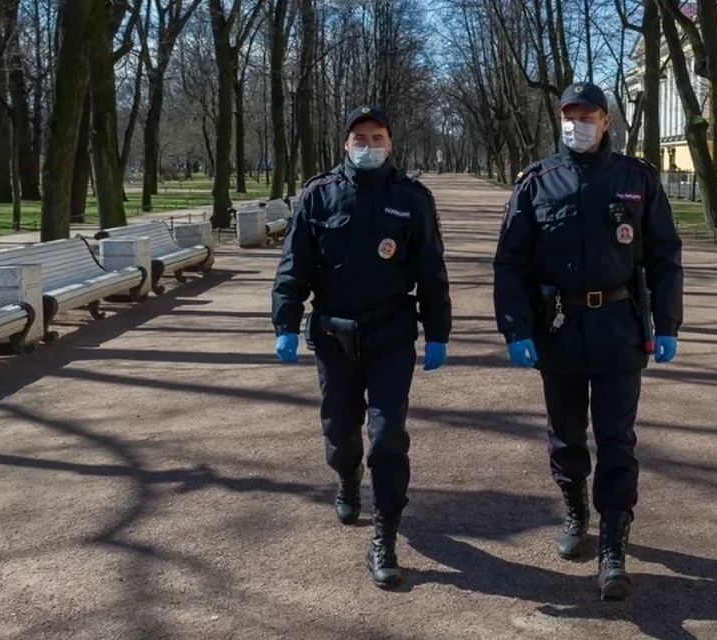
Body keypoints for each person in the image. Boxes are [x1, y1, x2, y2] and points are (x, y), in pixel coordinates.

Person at [492, 81, 683, 601]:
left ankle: (613, 545)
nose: (578, 123)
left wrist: (667, 323)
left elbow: (665, 255)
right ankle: (576, 510)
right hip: (559, 327)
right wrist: (515, 327)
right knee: (567, 432)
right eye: (569, 114)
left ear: (606, 121)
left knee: (617, 438)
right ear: (560, 119)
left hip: (620, 325)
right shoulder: (537, 182)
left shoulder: (637, 179)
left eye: (588, 115)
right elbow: (511, 260)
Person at [271, 105, 452, 589]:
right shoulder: (319, 196)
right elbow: (294, 267)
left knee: (389, 431)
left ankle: (385, 533)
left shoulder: (413, 199)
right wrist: (285, 322)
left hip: (391, 332)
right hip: (334, 335)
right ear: (345, 143)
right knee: (340, 427)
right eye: (359, 138)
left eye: (377, 138)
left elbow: (432, 273)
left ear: (390, 144)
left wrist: (438, 331)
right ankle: (347, 475)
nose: (367, 146)